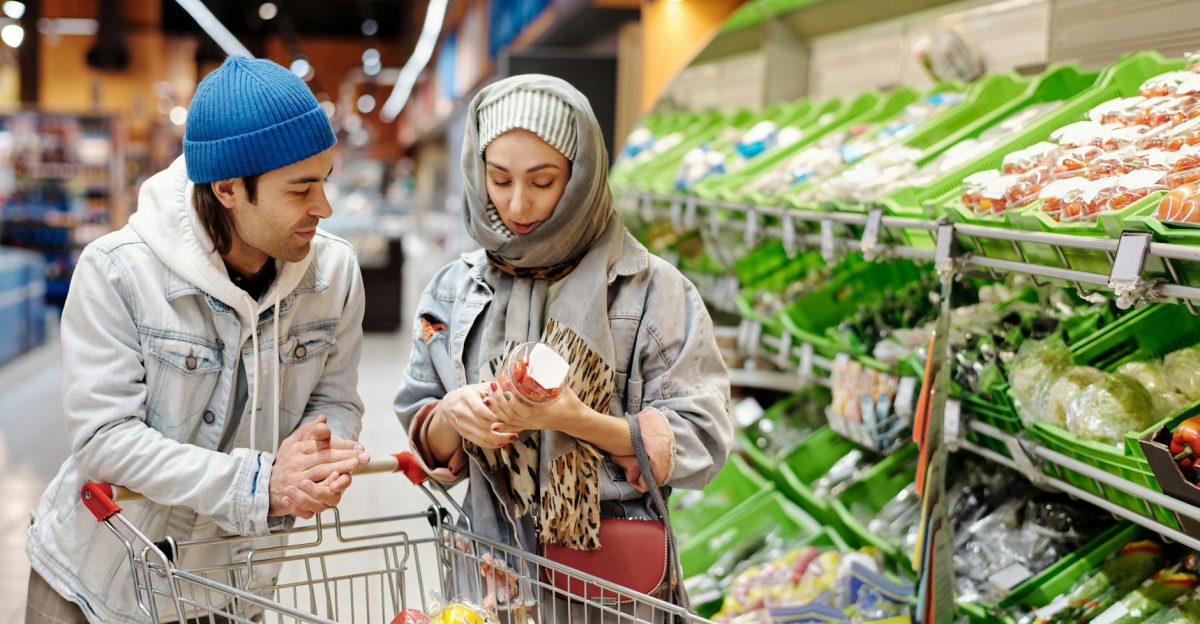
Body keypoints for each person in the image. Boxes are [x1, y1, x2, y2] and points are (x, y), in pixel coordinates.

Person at [25, 56, 369, 624]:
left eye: (325, 181)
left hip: (233, 587)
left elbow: (337, 400)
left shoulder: (333, 273)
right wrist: (261, 484)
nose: (323, 208)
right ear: (230, 188)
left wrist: (317, 463)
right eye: (300, 189)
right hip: (97, 590)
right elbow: (104, 438)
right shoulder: (117, 272)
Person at [394, 74, 732, 615]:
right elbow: (427, 435)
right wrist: (454, 415)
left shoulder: (653, 291)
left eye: (543, 181)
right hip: (487, 580)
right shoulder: (455, 289)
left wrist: (576, 419)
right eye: (498, 180)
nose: (518, 204)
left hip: (608, 594)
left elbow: (703, 437)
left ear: (580, 176)